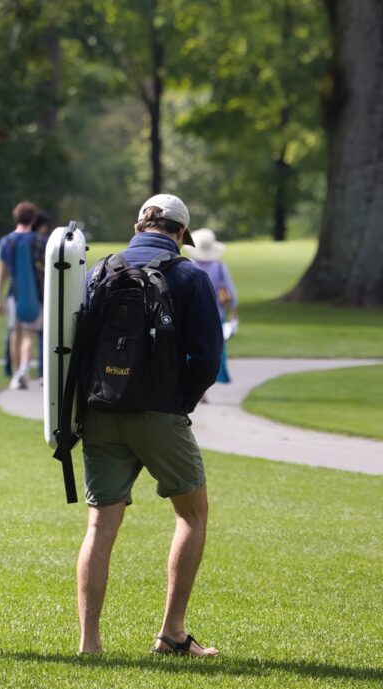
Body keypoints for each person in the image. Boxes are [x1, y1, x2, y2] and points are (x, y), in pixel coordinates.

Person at [75, 194, 223, 657]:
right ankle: (172, 633)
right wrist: (179, 403)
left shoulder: (100, 270)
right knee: (192, 514)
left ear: (139, 224)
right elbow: (208, 358)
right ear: (180, 232)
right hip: (160, 413)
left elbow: (71, 343)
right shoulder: (189, 276)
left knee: (100, 525)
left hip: (100, 409)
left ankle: (90, 643)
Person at [0, 201, 43, 389]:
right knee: (29, 333)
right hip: (34, 294)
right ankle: (24, 369)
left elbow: (1, 273)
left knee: (15, 333)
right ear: (33, 219)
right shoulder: (39, 241)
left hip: (14, 293)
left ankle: (16, 374)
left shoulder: (6, 242)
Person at [185, 228, 238, 384]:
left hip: (194, 315)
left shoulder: (189, 265)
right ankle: (213, 379)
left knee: (192, 349)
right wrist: (234, 310)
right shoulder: (219, 267)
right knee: (215, 350)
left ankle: (196, 383)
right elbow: (231, 293)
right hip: (216, 313)